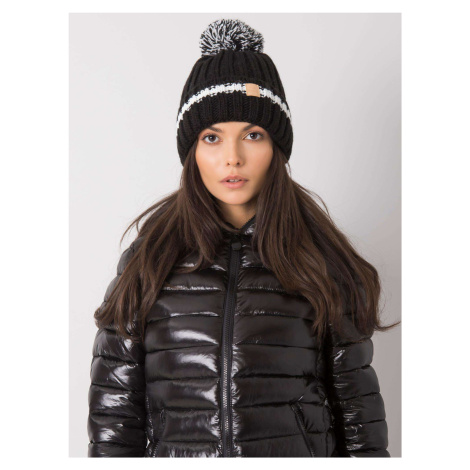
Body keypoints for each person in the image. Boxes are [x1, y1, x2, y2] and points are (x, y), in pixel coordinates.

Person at [87, 18, 399, 458]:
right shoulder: (149, 259)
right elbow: (114, 419)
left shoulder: (322, 259)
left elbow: (358, 418)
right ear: (193, 151)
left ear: (276, 147)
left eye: (253, 135)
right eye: (212, 137)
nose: (232, 157)